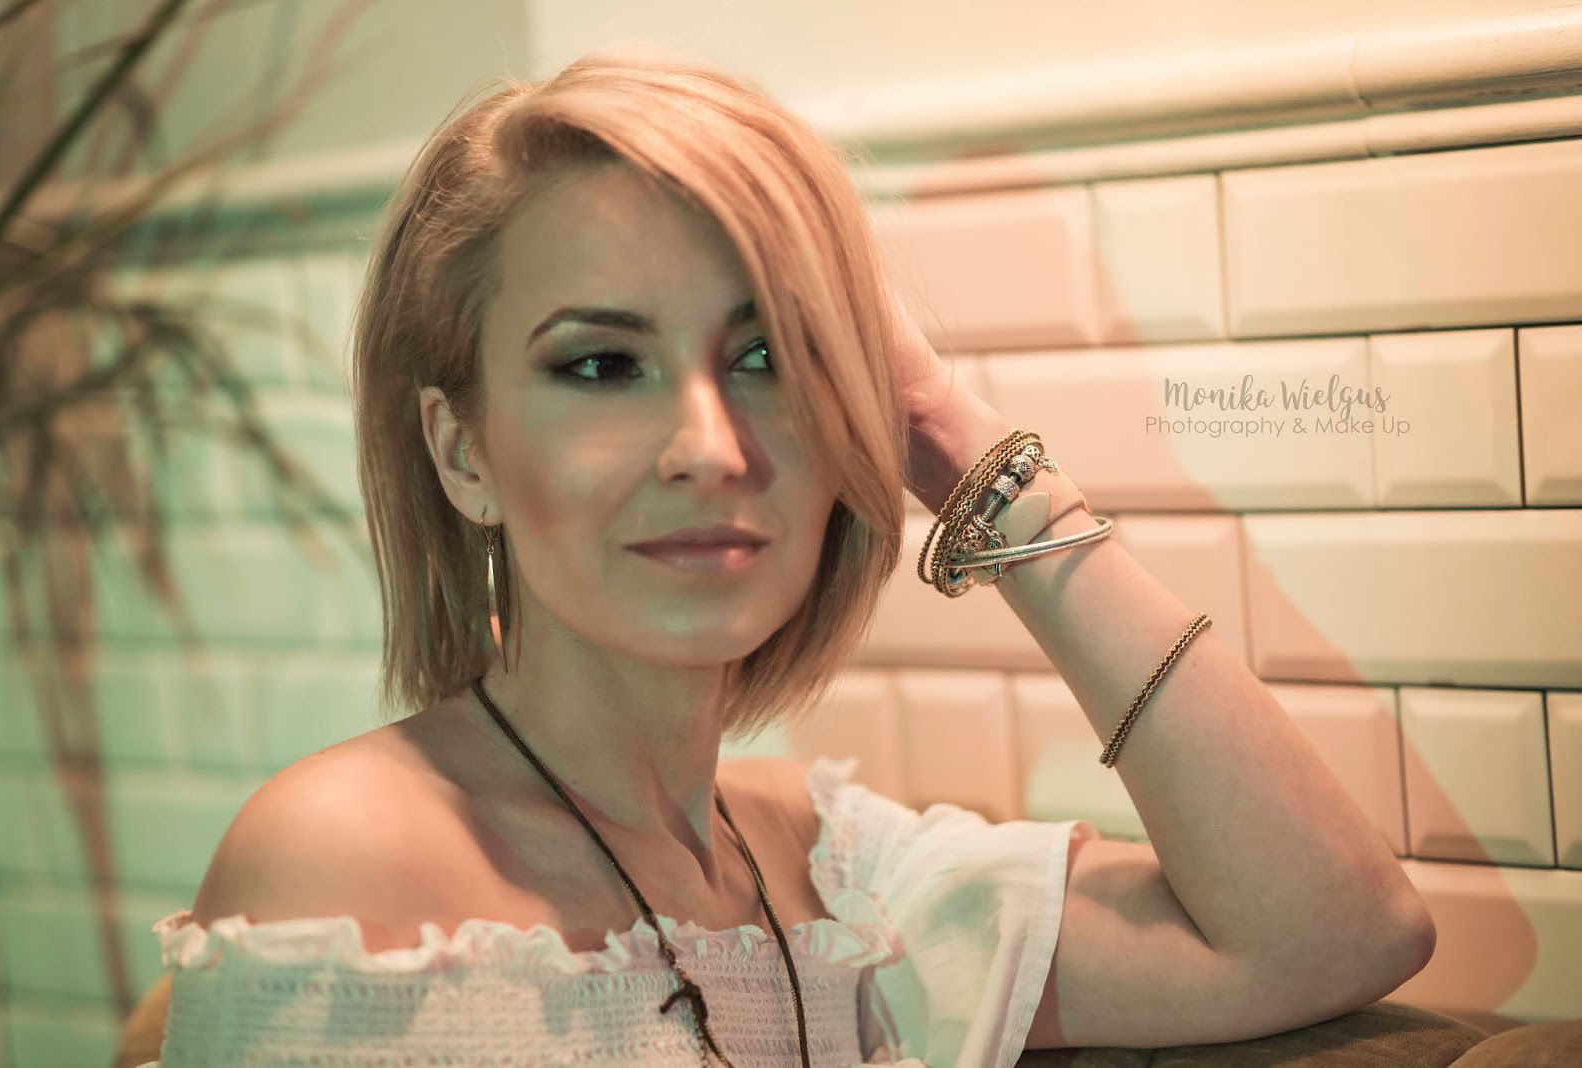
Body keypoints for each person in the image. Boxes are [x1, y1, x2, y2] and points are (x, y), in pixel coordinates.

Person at [140, 48, 1436, 1068]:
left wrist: (953, 442)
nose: (710, 447)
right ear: (461, 452)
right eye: (602, 365)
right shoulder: (349, 867)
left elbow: (1332, 933)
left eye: (766, 356)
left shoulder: (843, 880)